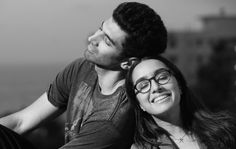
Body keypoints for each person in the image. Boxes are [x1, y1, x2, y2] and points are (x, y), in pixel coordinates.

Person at [0, 2, 167, 149]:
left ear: (128, 63)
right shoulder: (81, 68)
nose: (92, 38)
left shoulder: (112, 119)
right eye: (101, 28)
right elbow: (22, 122)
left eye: (107, 41)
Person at [126, 56, 236, 149]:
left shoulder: (225, 131)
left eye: (162, 77)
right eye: (143, 85)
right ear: (139, 104)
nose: (155, 87)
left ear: (179, 86)